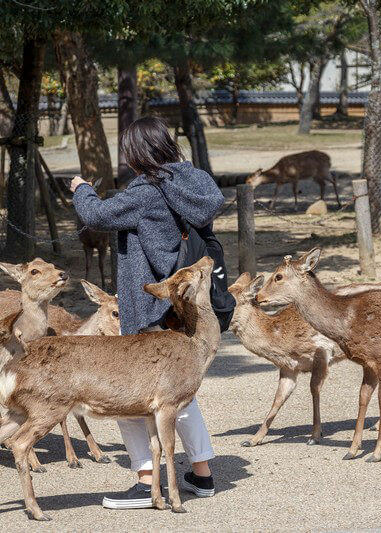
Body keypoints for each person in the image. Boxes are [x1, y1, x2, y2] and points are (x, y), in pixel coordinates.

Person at [70, 116, 224, 509]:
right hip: (180, 303)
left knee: (126, 390)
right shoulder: (194, 182)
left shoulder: (146, 192)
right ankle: (202, 474)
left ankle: (144, 480)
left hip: (146, 303)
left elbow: (97, 217)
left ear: (137, 152)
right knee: (178, 392)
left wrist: (81, 189)